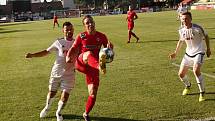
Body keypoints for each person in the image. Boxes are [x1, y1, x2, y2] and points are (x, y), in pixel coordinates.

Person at [25, 22, 76, 121]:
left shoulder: (77, 42)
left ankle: (59, 112)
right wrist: (32, 55)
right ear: (63, 31)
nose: (70, 31)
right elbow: (46, 52)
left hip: (69, 74)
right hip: (56, 73)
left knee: (65, 95)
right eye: (67, 30)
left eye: (71, 29)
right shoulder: (59, 42)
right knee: (52, 93)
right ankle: (47, 108)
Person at [66, 15, 113, 121]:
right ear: (84, 26)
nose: (90, 24)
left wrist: (111, 48)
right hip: (81, 63)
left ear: (94, 22)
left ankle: (86, 113)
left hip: (93, 67)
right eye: (87, 23)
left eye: (91, 22)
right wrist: (69, 56)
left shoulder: (101, 36)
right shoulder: (81, 36)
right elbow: (73, 47)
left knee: (93, 93)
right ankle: (100, 66)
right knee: (88, 53)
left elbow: (108, 51)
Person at [169, 12, 211, 102]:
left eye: (187, 18)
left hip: (199, 52)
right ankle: (188, 85)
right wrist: (175, 53)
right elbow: (181, 41)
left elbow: (206, 36)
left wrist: (208, 49)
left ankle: (202, 92)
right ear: (181, 19)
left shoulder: (198, 27)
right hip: (188, 53)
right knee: (181, 74)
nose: (185, 20)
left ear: (191, 19)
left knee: (196, 70)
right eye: (183, 19)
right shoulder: (181, 29)